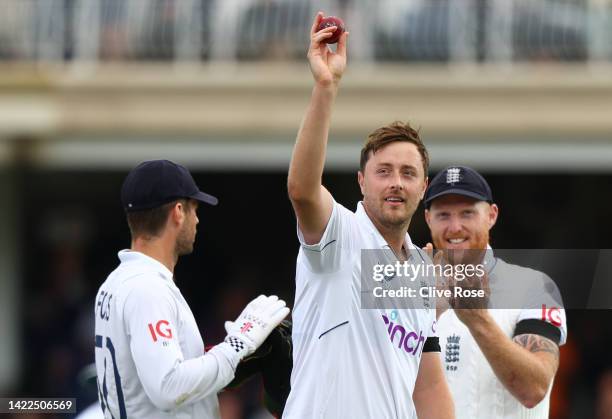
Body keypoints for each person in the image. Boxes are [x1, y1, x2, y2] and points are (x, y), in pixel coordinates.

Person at [283, 12, 454, 418]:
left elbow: (427, 386)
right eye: (384, 171)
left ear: (423, 188)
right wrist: (326, 86)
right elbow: (302, 191)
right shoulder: (341, 236)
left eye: (408, 173)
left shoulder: (420, 272)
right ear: (362, 182)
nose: (396, 182)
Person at [94, 159, 290, 419]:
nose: (197, 220)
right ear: (177, 211)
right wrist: (237, 344)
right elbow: (168, 387)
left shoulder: (116, 282)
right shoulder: (147, 288)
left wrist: (236, 359)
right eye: (194, 209)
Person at [423, 165, 567, 419]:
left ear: (491, 215)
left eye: (467, 213)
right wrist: (426, 317)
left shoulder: (534, 287)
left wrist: (477, 319)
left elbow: (534, 389)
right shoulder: (407, 292)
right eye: (444, 215)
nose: (455, 227)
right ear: (428, 219)